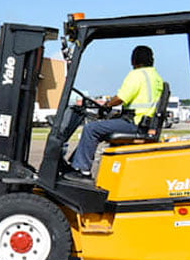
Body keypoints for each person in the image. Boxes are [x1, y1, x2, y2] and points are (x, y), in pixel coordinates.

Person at [69, 45, 165, 179]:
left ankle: (82, 169)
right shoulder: (156, 77)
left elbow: (121, 98)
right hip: (144, 123)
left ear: (134, 60)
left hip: (134, 123)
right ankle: (76, 163)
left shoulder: (137, 74)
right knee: (99, 129)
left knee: (91, 129)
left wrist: (107, 104)